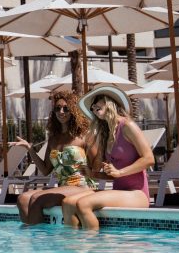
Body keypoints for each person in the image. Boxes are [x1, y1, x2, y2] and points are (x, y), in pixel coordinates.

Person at [63, 85, 154, 229]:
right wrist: (93, 174)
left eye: (97, 102)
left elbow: (149, 159)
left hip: (137, 194)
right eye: (92, 107)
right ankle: (75, 247)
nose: (93, 107)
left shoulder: (127, 126)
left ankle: (94, 248)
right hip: (120, 191)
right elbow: (114, 176)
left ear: (109, 101)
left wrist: (120, 172)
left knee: (83, 204)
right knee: (68, 203)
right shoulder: (107, 134)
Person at [11, 89, 96, 225]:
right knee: (22, 198)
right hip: (62, 186)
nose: (61, 112)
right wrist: (29, 149)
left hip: (82, 186)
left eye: (66, 108)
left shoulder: (84, 136)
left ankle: (39, 242)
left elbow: (96, 166)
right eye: (57, 108)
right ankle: (31, 238)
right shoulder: (53, 139)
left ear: (74, 111)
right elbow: (45, 170)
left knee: (37, 199)